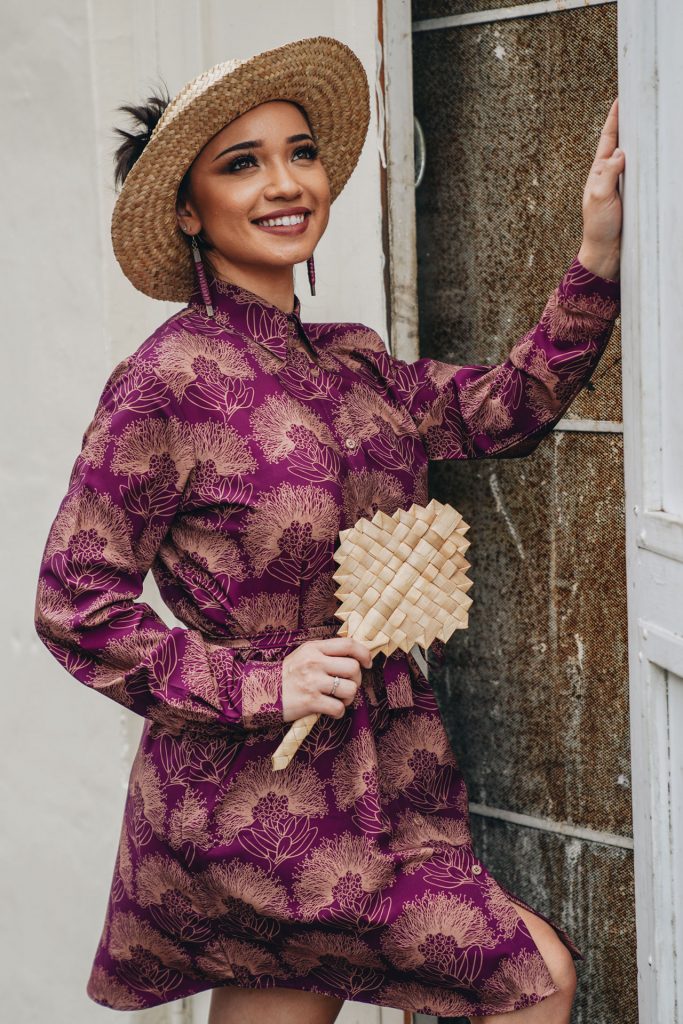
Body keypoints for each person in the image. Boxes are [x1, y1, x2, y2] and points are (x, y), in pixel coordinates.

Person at [33, 35, 623, 1024]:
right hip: (259, 803)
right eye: (240, 163)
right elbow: (74, 606)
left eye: (298, 153)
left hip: (388, 779)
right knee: (532, 978)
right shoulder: (166, 380)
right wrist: (266, 680)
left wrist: (594, 253)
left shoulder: (353, 364)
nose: (283, 182)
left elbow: (504, 408)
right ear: (188, 209)